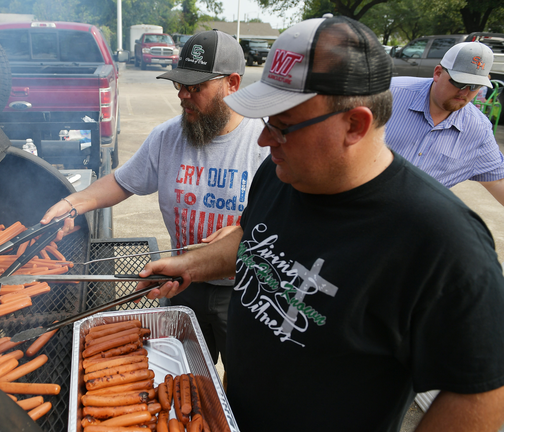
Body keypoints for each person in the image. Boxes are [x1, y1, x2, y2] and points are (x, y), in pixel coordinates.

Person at [137, 15, 504, 432]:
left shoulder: (444, 243)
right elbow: (252, 238)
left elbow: (483, 392)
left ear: (355, 125)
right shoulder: (280, 173)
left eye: (282, 126)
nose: (264, 140)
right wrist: (192, 263)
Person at [40, 30, 270, 371]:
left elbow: (285, 217)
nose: (183, 95)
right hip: (182, 283)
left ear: (232, 83)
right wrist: (76, 202)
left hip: (244, 288)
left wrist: (241, 230)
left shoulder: (265, 142)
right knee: (186, 374)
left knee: (243, 378)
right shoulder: (168, 136)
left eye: (195, 87)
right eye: (180, 84)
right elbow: (123, 182)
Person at [385, 42, 504, 205]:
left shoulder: (478, 130)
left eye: (475, 86)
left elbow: (498, 181)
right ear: (438, 73)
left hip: (413, 216)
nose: (465, 92)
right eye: (459, 82)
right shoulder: (388, 95)